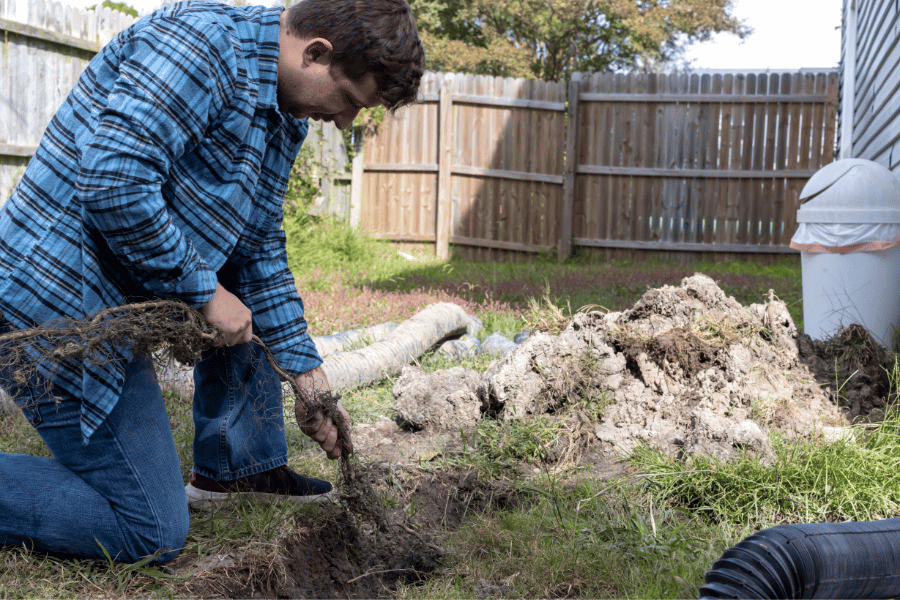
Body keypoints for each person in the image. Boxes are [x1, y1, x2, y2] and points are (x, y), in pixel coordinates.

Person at [0, 0, 424, 564]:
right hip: (54, 303)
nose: (345, 123)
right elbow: (113, 181)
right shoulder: (201, 48)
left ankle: (237, 469)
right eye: (348, 100)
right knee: (149, 530)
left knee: (236, 284)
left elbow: (257, 248)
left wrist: (309, 379)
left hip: (112, 311)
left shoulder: (282, 113)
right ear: (315, 51)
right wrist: (202, 291)